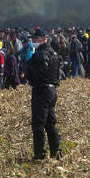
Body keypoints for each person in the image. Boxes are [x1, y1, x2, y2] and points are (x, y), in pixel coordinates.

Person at [26, 28, 62, 160]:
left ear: (42, 39)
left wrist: (30, 74)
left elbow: (40, 71)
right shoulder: (54, 53)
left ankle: (40, 153)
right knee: (50, 123)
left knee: (38, 123)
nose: (33, 41)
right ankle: (56, 151)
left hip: (41, 90)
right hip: (52, 90)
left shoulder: (41, 54)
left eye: (35, 39)